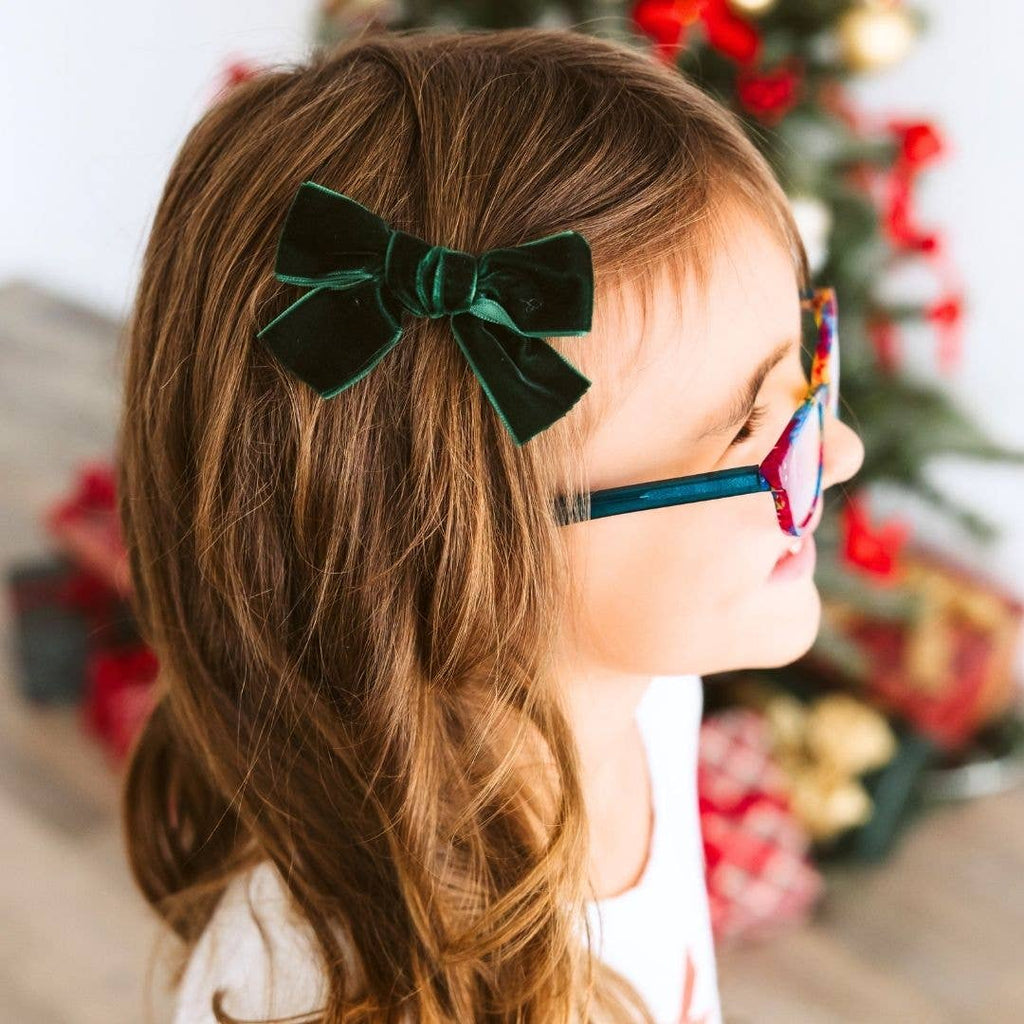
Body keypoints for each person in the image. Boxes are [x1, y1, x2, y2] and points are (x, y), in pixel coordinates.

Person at [118, 25, 865, 1024]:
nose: (845, 451)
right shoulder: (323, 990)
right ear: (476, 538)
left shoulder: (648, 697)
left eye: (809, 375)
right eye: (746, 430)